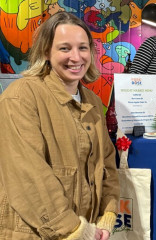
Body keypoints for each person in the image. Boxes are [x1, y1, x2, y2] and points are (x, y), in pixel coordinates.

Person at [0, 12, 119, 240]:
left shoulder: (92, 102)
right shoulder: (21, 97)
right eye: (65, 48)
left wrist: (107, 216)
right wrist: (74, 230)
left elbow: (107, 166)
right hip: (36, 232)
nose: (76, 57)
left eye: (83, 48)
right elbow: (29, 176)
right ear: (46, 51)